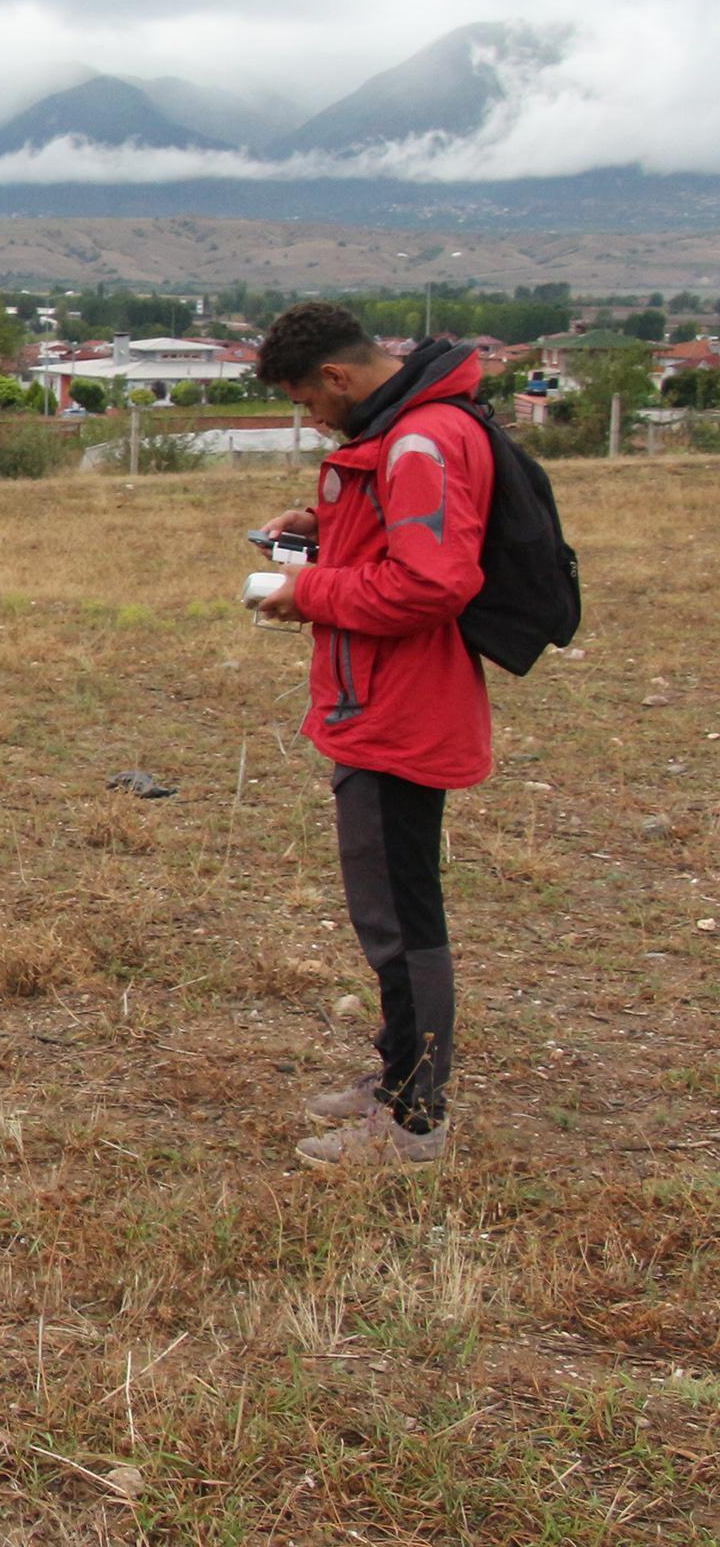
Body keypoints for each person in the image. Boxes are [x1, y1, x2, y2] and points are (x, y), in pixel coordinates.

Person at [247, 301, 494, 1168]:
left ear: (340, 379)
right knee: (391, 905)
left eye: (307, 402)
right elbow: (402, 540)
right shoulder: (410, 433)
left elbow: (432, 584)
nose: (310, 419)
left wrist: (305, 594)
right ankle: (396, 1076)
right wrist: (326, 531)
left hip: (399, 710)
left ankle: (415, 1118)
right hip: (383, 704)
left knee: (399, 917)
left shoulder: (421, 441)